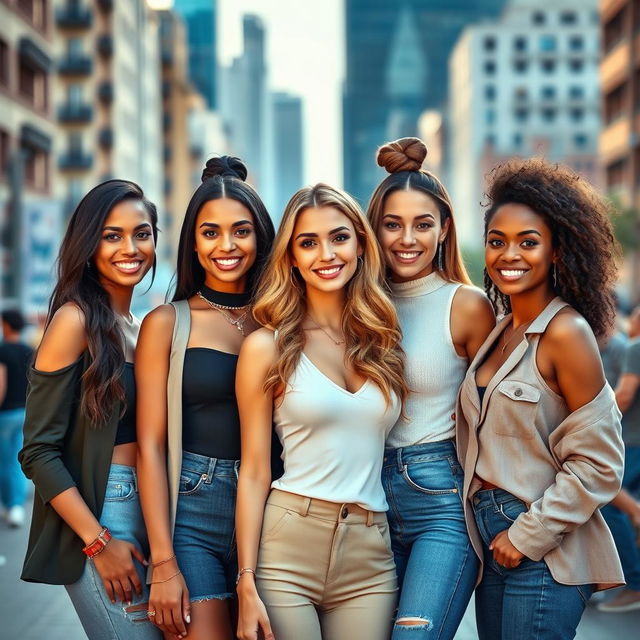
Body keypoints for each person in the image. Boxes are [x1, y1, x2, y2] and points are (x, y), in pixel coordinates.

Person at [456, 158, 625, 640]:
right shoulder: (499, 331)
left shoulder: (566, 332)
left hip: (543, 544)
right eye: (497, 241)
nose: (510, 254)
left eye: (528, 242)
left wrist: (527, 536)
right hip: (491, 541)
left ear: (556, 250)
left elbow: (601, 464)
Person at [235, 183, 408, 640]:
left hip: (370, 553)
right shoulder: (265, 347)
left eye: (339, 237)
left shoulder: (383, 340)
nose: (326, 254)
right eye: (308, 243)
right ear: (290, 257)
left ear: (360, 244)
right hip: (289, 546)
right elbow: (253, 470)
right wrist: (246, 579)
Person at [136, 156, 275, 640]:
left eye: (241, 230)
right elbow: (150, 447)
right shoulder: (167, 324)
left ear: (261, 236)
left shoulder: (285, 320)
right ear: (193, 243)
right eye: (210, 232)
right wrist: (163, 562)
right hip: (193, 510)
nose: (227, 245)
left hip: (275, 508)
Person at [19, 180, 161, 640]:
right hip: (104, 511)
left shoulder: (141, 328)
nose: (130, 247)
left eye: (142, 233)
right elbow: (38, 451)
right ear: (88, 243)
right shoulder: (74, 320)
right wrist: (98, 542)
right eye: (111, 235)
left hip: (156, 505)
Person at [366, 137, 495, 639]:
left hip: (439, 496)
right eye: (393, 224)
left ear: (443, 230)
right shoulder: (358, 305)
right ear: (373, 230)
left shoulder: (465, 304)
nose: (407, 238)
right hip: (365, 498)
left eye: (423, 225)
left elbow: (497, 412)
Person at [599, 305, 640, 612]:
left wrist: (589, 424)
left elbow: (624, 395)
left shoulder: (632, 347)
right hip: (627, 439)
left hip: (629, 441)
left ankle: (634, 584)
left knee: (610, 500)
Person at [0, 309, 33, 527]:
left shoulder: (2, 350)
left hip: (6, 413)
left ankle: (12, 506)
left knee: (5, 462)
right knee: (19, 460)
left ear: (7, 325)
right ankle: (17, 504)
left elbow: (0, 384)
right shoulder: (31, 351)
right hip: (26, 412)